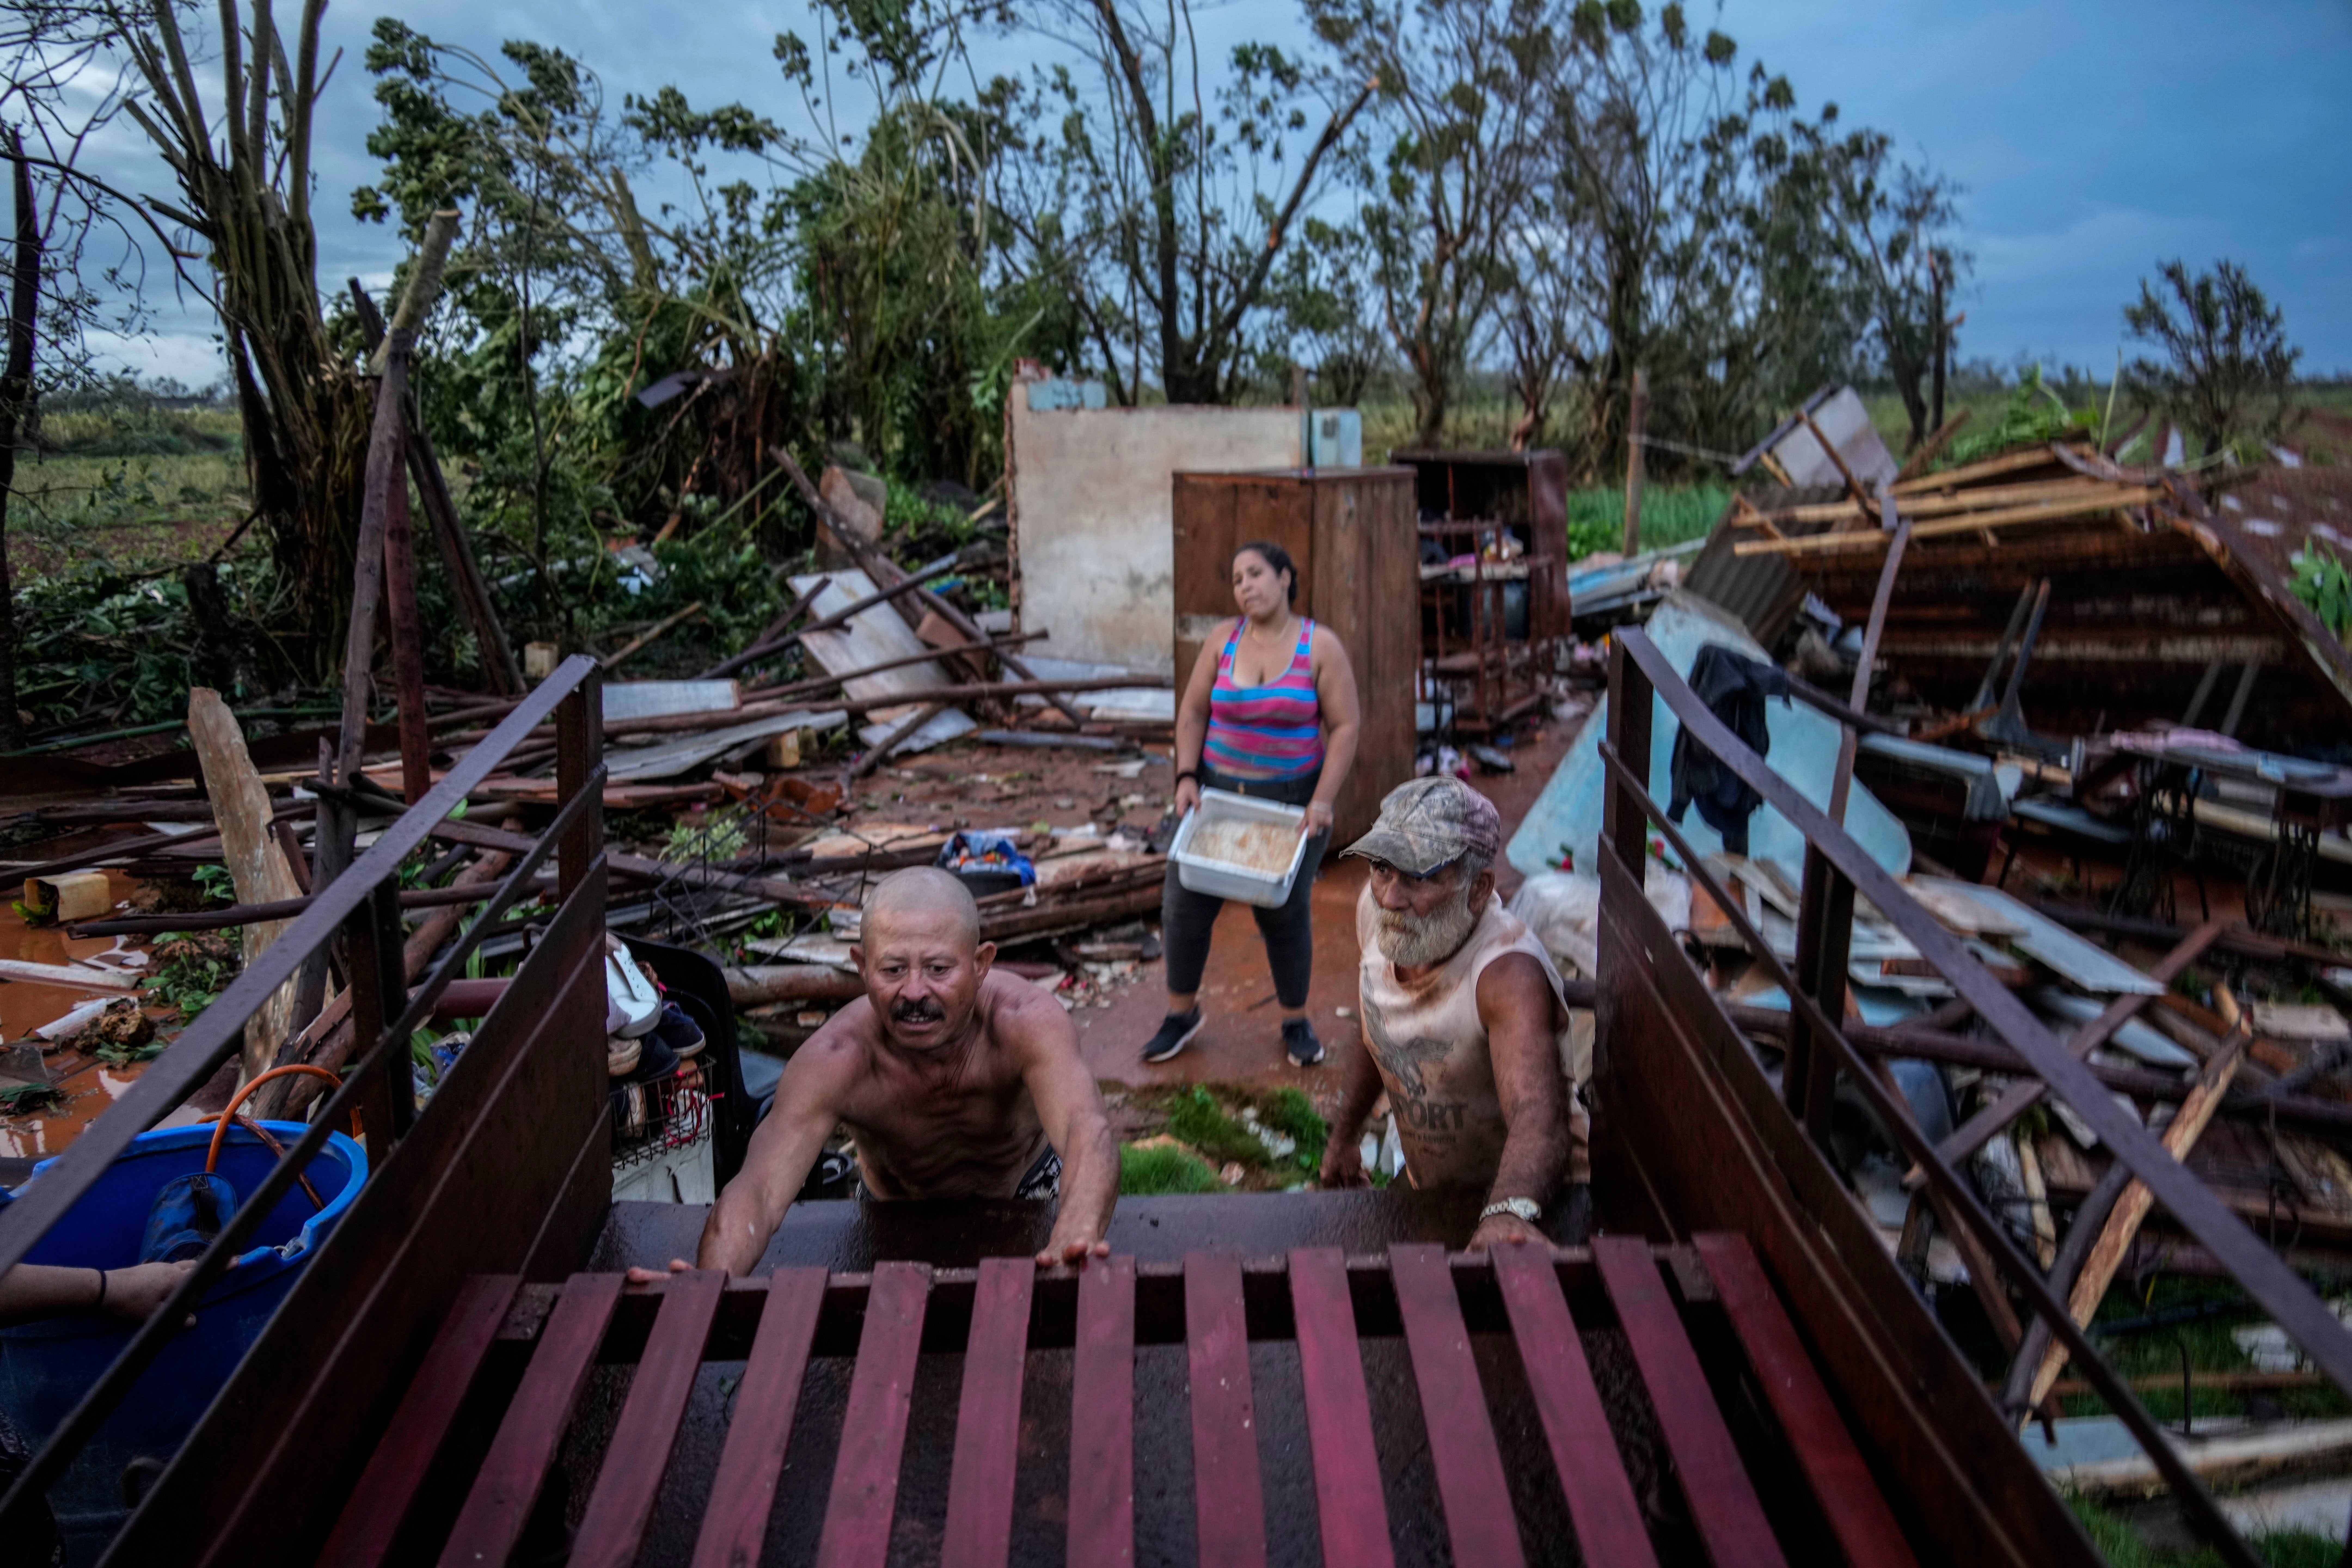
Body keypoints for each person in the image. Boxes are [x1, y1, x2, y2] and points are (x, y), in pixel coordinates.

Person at [629, 868, 1118, 1279]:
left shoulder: (1025, 1022)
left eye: (939, 970)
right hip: (894, 1212)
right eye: (892, 971)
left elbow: (1086, 1128)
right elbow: (759, 1189)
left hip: (1023, 1190)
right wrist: (710, 1283)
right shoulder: (838, 1058)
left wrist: (1076, 1230)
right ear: (862, 968)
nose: (914, 992)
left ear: (981, 964)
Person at [1319, 778, 1587, 1253]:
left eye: (1419, 877)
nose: (1392, 899)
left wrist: (1508, 1213)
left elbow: (1538, 1116)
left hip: (1538, 1196)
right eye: (1382, 868)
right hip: (1439, 1188)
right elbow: (1375, 1024)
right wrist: (1345, 1137)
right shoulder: (1378, 913)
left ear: (1478, 888)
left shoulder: (1506, 972)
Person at [1144, 540, 1361, 1068]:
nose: (1246, 586)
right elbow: (1193, 713)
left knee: (1284, 912)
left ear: (1286, 577)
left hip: (1291, 804)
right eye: (1237, 578)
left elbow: (1346, 726)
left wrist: (1323, 803)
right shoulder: (1223, 641)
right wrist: (1187, 777)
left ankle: (1294, 1020)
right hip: (1216, 795)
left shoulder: (1320, 646)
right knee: (1184, 903)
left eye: (1257, 574)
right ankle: (1181, 1014)